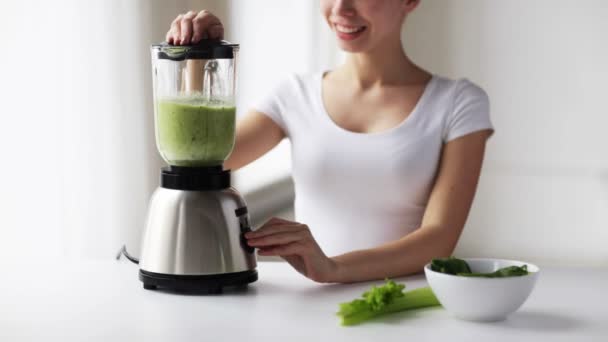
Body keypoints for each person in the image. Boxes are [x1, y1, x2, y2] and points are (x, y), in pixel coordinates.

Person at [166, 0, 494, 284]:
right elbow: (201, 158)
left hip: (401, 304)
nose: (340, 8)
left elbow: (438, 240)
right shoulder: (295, 95)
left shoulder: (458, 103)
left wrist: (334, 268)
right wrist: (201, 55)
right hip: (310, 304)